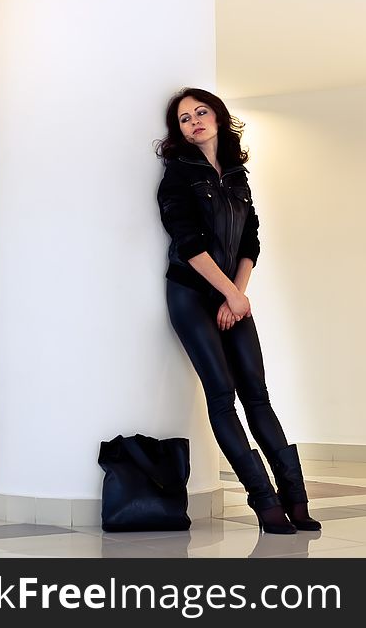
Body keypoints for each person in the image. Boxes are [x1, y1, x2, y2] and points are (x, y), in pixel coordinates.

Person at [155, 87, 321, 535]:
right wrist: (230, 293)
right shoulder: (177, 176)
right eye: (185, 118)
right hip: (191, 295)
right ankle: (265, 505)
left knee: (258, 394)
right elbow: (188, 245)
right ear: (180, 132)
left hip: (231, 296)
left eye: (201, 112)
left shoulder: (236, 176)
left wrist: (237, 295)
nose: (194, 122)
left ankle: (297, 500)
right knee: (223, 395)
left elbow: (251, 242)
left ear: (218, 117)